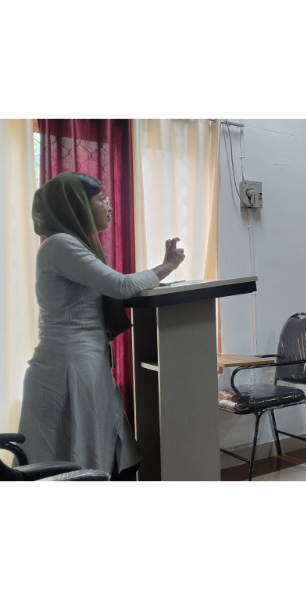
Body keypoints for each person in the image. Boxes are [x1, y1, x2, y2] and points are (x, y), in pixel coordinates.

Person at [17, 172, 185, 481]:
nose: (108, 204)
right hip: (67, 368)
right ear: (78, 206)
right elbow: (120, 285)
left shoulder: (69, 244)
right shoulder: (61, 244)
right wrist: (167, 266)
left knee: (111, 454)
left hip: (82, 362)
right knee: (79, 460)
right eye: (101, 198)